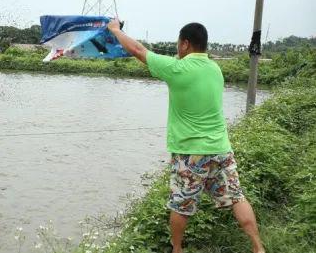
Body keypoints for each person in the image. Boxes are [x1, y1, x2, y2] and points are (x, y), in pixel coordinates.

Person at [107, 19, 265, 253]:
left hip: (191, 154)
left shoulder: (177, 68)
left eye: (178, 44)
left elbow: (138, 51)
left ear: (185, 44)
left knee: (181, 204)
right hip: (221, 148)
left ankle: (177, 249)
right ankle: (258, 248)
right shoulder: (215, 68)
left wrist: (115, 30)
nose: (177, 48)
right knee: (236, 197)